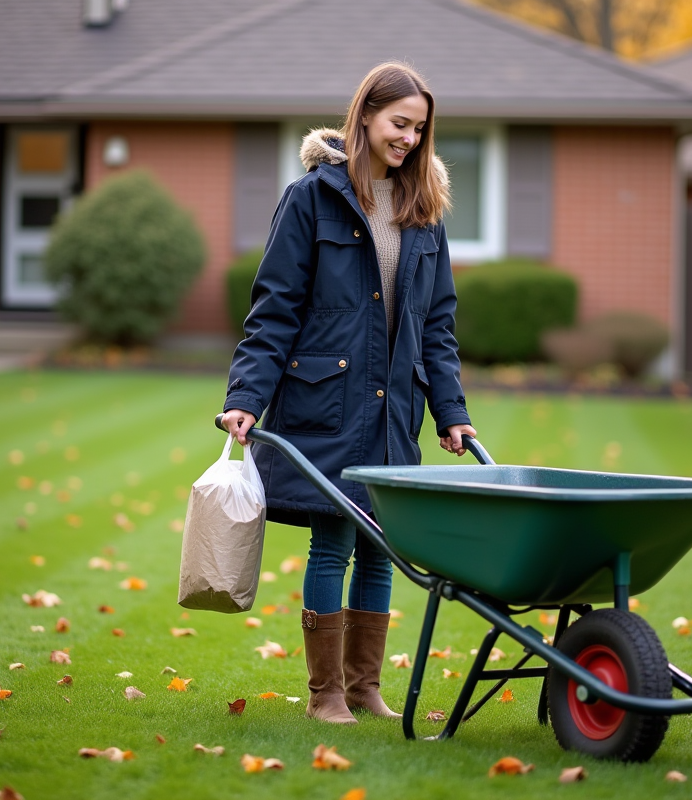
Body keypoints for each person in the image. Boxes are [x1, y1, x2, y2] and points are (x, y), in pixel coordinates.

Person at [220, 62, 475, 725]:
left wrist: (452, 412)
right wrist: (247, 396)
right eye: (399, 124)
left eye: (420, 129)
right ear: (364, 116)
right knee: (332, 540)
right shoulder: (311, 199)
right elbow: (274, 308)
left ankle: (365, 689)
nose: (410, 140)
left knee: (381, 549)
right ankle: (326, 694)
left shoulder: (425, 214)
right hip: (325, 404)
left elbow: (437, 326)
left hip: (394, 412)